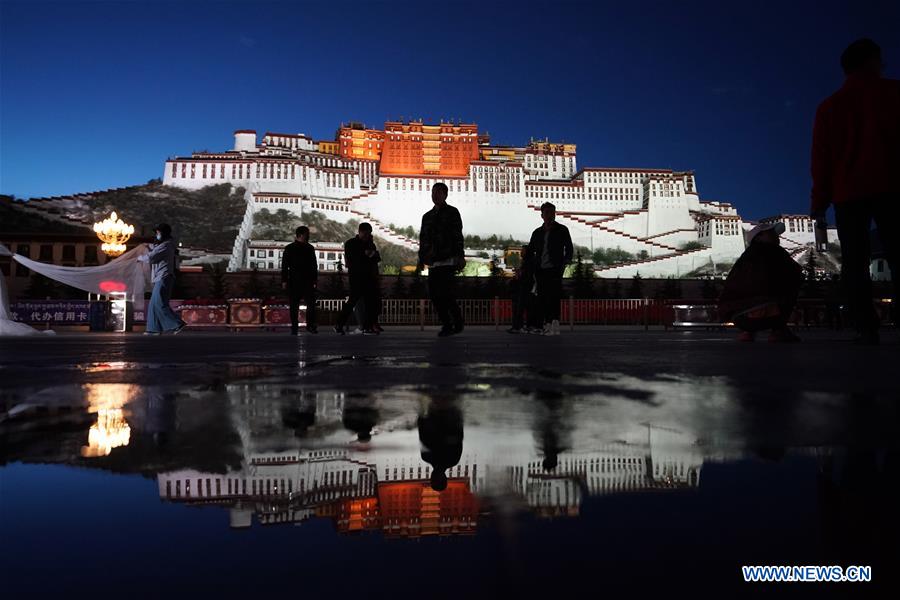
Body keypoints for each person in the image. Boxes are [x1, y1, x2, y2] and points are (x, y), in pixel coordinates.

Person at [811, 38, 900, 344]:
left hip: (849, 194)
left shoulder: (830, 107)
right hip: (892, 187)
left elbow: (821, 159)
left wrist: (819, 202)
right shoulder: (894, 93)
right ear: (873, 61)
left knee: (854, 261)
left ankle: (865, 326)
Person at [719, 222, 803, 343]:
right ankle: (778, 331)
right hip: (769, 315)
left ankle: (747, 333)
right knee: (788, 290)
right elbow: (795, 273)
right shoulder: (775, 251)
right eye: (770, 233)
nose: (776, 236)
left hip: (738, 318)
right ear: (758, 237)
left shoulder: (745, 257)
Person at [418, 182, 465, 337]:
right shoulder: (427, 216)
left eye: (438, 192)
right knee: (434, 295)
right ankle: (448, 323)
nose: (435, 195)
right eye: (433, 192)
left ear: (445, 195)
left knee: (447, 294)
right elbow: (423, 239)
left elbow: (457, 235)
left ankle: (454, 322)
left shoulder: (452, 212)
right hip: (433, 262)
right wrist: (421, 258)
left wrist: (460, 256)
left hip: (448, 260)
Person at [528, 202, 573, 336]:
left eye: (552, 213)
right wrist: (531, 266)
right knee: (543, 297)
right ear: (542, 215)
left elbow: (569, 248)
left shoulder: (562, 230)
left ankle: (555, 324)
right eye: (547, 213)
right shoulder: (537, 233)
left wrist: (565, 263)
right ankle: (547, 324)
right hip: (541, 270)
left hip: (555, 269)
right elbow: (530, 251)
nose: (550, 216)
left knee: (554, 297)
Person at [139, 223, 186, 335]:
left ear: (163, 233)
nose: (157, 235)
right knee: (153, 304)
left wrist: (140, 258)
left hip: (164, 277)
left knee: (160, 303)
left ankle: (177, 323)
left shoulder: (166, 245)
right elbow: (154, 253)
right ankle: (153, 329)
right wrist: (148, 248)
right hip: (159, 277)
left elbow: (152, 257)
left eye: (158, 232)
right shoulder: (164, 245)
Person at [335, 223, 381, 335]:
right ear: (360, 232)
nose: (367, 236)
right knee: (352, 301)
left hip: (369, 277)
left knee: (370, 302)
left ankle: (367, 327)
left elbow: (376, 259)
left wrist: (372, 255)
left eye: (369, 234)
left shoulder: (370, 244)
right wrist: (366, 255)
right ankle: (339, 324)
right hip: (356, 277)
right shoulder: (350, 243)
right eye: (365, 234)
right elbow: (351, 260)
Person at [418, 393, 463, 492]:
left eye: (433, 480)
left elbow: (459, 436)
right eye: (437, 480)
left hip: (446, 418)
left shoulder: (453, 460)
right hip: (439, 418)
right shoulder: (427, 457)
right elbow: (422, 433)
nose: (434, 477)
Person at [280, 226, 318, 335]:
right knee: (309, 304)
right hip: (305, 281)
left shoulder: (290, 248)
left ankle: (295, 328)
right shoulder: (309, 248)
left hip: (295, 280)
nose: (308, 236)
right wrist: (314, 280)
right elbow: (313, 266)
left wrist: (284, 280)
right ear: (302, 235)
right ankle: (308, 326)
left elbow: (285, 266)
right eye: (307, 234)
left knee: (295, 305)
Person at [508, 244, 542, 334]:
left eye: (523, 251)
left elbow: (528, 276)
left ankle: (521, 327)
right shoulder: (527, 262)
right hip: (526, 288)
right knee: (526, 308)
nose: (521, 252)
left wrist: (519, 276)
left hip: (526, 288)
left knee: (522, 308)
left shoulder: (529, 263)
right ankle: (525, 326)